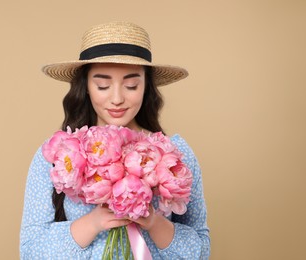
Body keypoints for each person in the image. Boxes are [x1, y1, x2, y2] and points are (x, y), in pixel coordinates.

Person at [20, 21, 210, 259]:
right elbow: (30, 250)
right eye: (103, 85)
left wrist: (152, 221)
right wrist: (95, 222)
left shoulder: (174, 155)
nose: (117, 98)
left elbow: (201, 250)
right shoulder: (58, 155)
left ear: (146, 87)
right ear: (86, 86)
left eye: (131, 85)